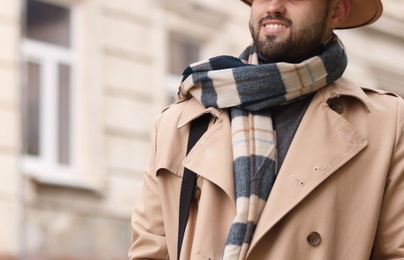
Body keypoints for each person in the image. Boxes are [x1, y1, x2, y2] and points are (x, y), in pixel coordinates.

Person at [129, 0, 404, 259]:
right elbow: (150, 252)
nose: (273, 6)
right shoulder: (180, 122)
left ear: (336, 11)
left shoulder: (386, 123)